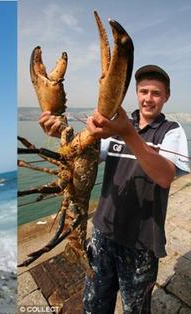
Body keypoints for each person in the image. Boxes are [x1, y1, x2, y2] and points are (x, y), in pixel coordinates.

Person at [39, 65, 189, 313]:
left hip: (141, 241)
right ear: (136, 93)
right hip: (102, 233)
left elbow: (164, 177)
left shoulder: (170, 131)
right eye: (143, 92)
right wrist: (60, 134)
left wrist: (129, 134)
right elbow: (85, 153)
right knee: (94, 303)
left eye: (155, 93)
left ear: (166, 97)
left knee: (136, 308)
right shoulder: (117, 126)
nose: (148, 99)